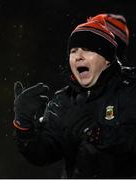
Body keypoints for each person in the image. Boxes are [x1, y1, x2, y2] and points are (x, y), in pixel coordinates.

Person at [13, 15, 136, 178]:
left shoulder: (130, 88)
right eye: (73, 51)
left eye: (87, 49)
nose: (78, 56)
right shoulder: (63, 100)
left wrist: (95, 132)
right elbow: (42, 155)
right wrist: (24, 126)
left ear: (107, 59)